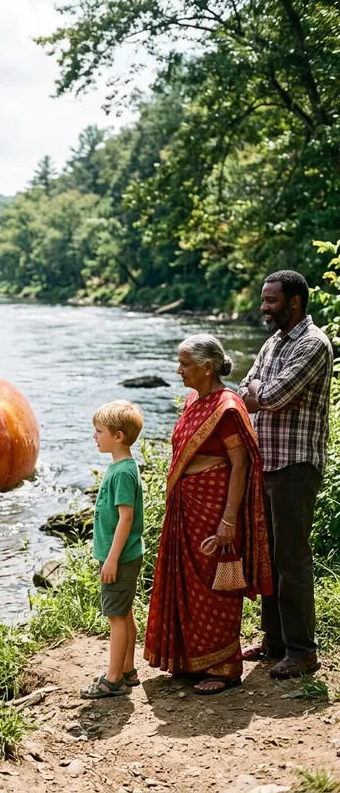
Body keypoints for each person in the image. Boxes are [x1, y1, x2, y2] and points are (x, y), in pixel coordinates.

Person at [144, 335, 272, 695]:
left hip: (214, 506)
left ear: (207, 367)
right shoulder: (193, 401)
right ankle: (188, 659)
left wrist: (228, 520)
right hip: (186, 505)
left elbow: (240, 464)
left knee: (216, 584)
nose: (178, 369)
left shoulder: (228, 408)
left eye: (184, 363)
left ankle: (225, 666)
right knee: (185, 582)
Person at [238, 271, 333, 678]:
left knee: (291, 560)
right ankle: (274, 641)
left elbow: (271, 396)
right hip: (267, 463)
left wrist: (260, 390)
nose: (264, 307)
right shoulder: (274, 341)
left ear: (294, 302)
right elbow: (245, 390)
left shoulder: (313, 344)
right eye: (263, 300)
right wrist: (259, 390)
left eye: (271, 301)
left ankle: (303, 651)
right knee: (269, 557)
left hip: (295, 467)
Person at [81, 400, 145, 699]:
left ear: (118, 436)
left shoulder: (121, 473)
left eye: (99, 431)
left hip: (119, 557)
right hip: (126, 556)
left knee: (116, 618)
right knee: (125, 612)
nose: (94, 437)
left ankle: (113, 678)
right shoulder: (123, 466)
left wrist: (111, 560)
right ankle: (128, 669)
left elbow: (126, 518)